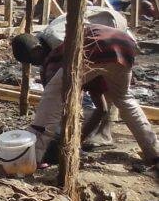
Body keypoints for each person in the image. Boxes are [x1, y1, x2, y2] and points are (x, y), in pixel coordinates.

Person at [12, 28, 159, 172]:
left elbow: (54, 104)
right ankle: (154, 152)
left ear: (37, 50)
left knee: (52, 95)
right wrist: (78, 140)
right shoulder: (64, 45)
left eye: (33, 61)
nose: (36, 65)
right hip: (124, 46)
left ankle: (35, 156)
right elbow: (102, 108)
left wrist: (61, 139)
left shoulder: (55, 59)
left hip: (96, 49)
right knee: (124, 98)